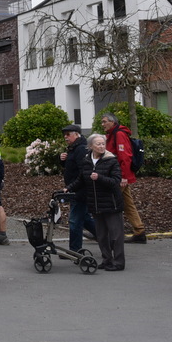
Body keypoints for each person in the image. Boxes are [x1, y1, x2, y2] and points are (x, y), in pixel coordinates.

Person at [65, 133, 125, 271]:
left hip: (111, 204)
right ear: (91, 146)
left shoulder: (111, 161)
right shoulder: (87, 161)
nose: (101, 146)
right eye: (98, 144)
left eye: (103, 144)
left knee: (115, 236)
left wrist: (99, 177)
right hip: (95, 203)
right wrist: (68, 188)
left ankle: (119, 262)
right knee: (102, 235)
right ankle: (106, 260)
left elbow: (116, 181)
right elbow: (81, 179)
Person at [102, 112, 146, 243]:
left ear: (112, 122)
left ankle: (103, 231)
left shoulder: (119, 135)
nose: (102, 124)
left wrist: (123, 177)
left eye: (104, 121)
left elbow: (124, 157)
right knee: (127, 204)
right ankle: (139, 231)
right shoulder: (114, 134)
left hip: (119, 177)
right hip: (120, 176)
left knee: (109, 202)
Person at [60, 123, 96, 253]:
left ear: (77, 134)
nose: (66, 137)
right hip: (76, 189)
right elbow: (72, 167)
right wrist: (63, 160)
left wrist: (72, 187)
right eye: (65, 135)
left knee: (75, 221)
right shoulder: (74, 148)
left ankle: (74, 251)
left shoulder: (81, 149)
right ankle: (106, 238)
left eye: (68, 134)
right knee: (85, 219)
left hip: (80, 191)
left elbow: (83, 172)